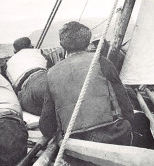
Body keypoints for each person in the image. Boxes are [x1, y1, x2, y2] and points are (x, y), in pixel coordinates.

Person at [39, 21, 134, 165]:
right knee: (142, 122)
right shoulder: (103, 62)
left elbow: (47, 125)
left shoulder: (51, 74)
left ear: (62, 44)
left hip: (75, 146)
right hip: (113, 137)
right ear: (88, 42)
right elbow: (127, 110)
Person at [6, 37, 53, 116]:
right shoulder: (40, 53)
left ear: (15, 51)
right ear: (31, 47)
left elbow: (13, 88)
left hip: (26, 91)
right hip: (44, 78)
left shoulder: (8, 64)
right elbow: (52, 70)